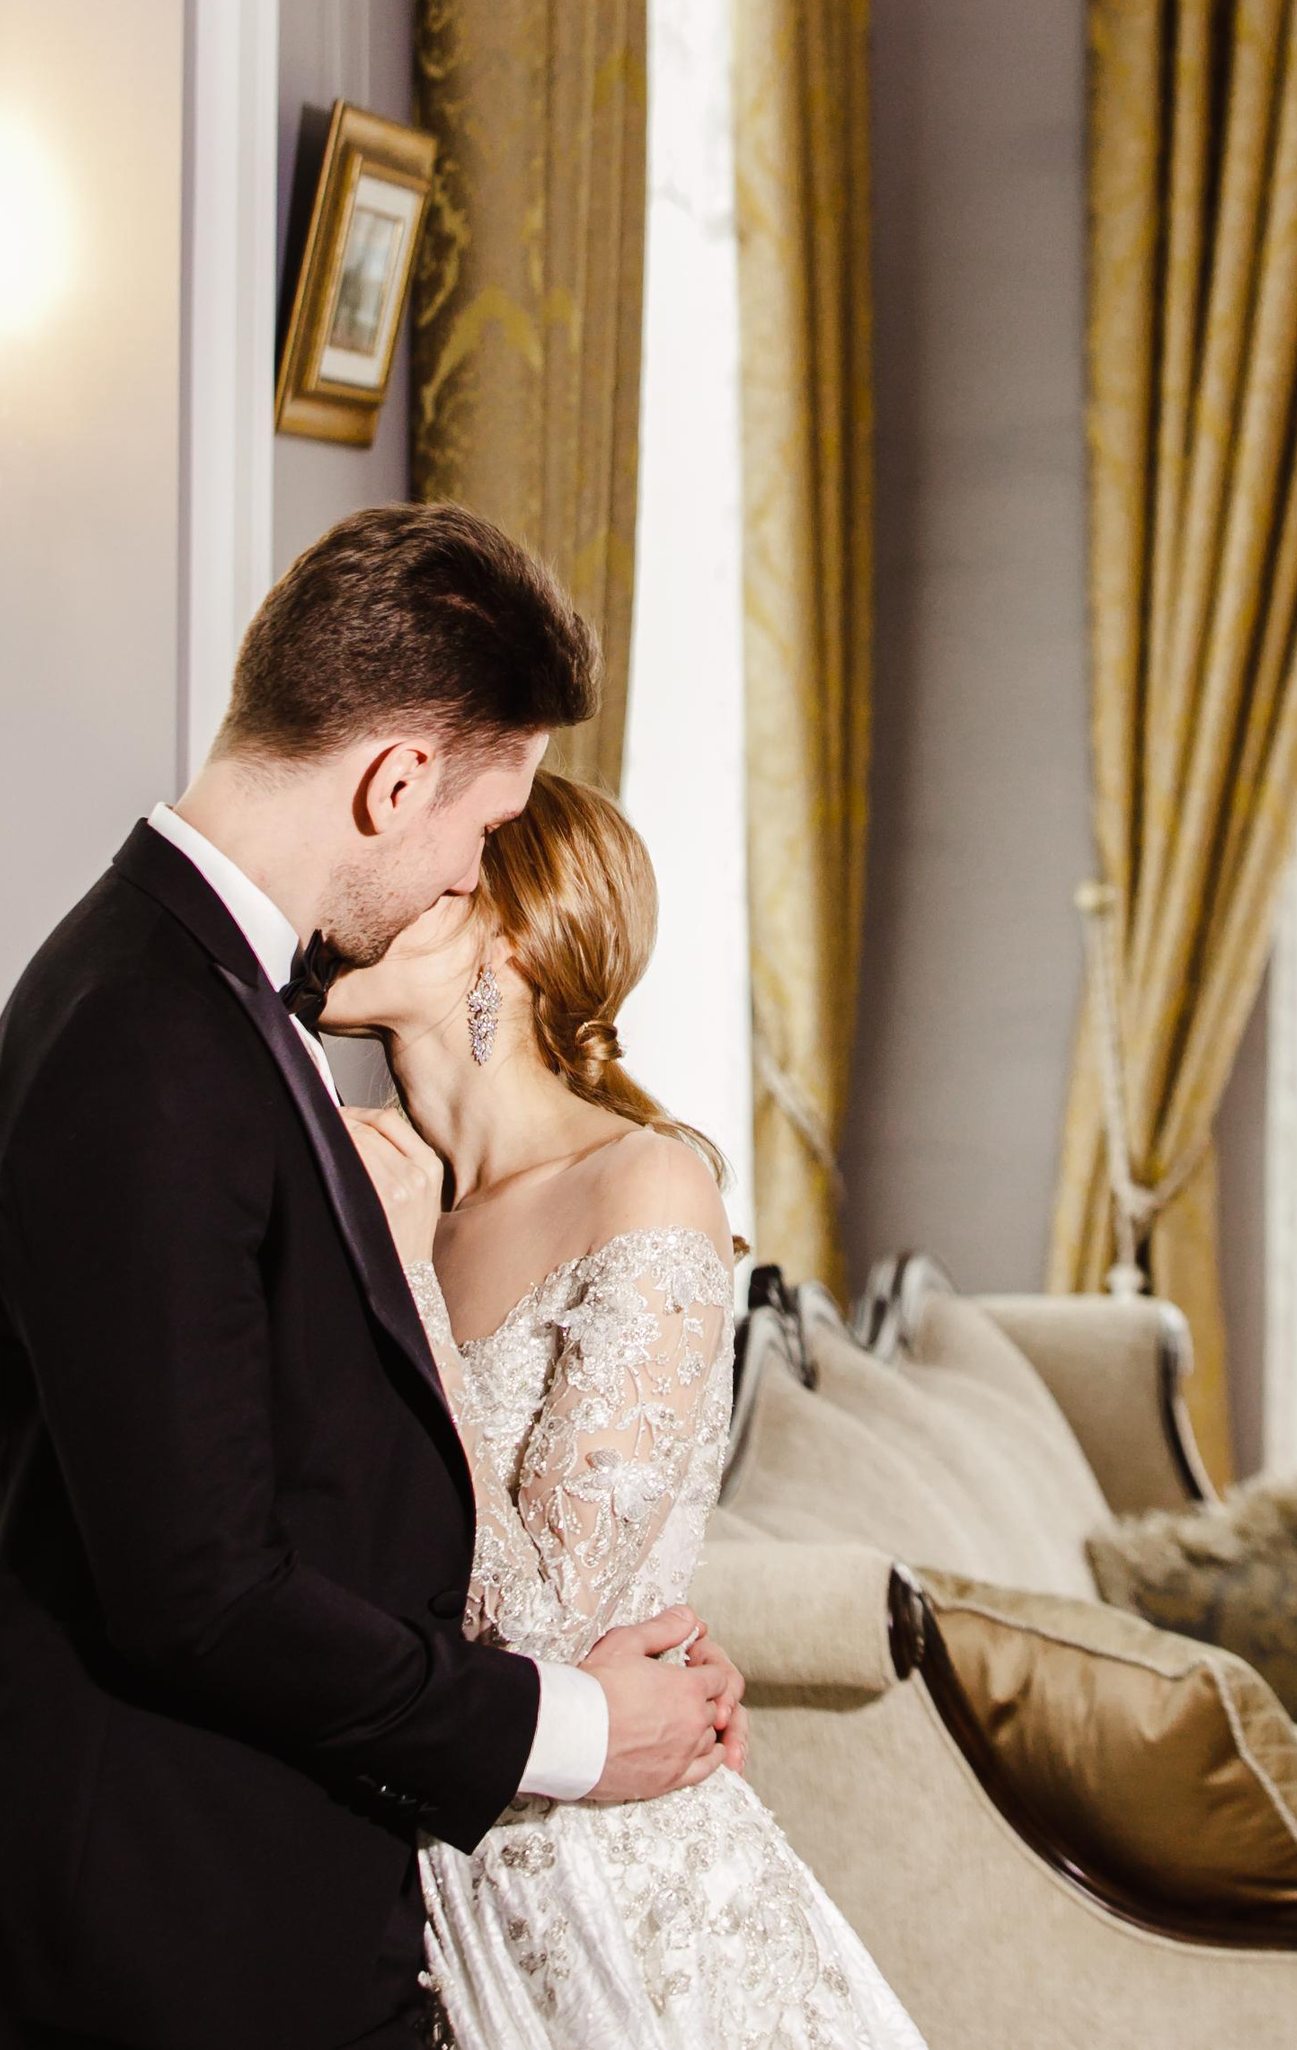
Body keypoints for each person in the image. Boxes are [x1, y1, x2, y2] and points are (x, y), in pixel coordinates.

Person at [0, 505, 747, 2050]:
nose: (474, 870)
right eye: (482, 829)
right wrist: (580, 1725)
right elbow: (200, 1591)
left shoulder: (192, 1003)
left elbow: (302, 1487)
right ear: (396, 781)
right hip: (171, 1919)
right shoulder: (151, 1040)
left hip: (261, 1888)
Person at [321, 770, 928, 2050]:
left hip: (598, 1902)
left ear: (511, 932)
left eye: (423, 864)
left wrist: (410, 1286)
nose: (350, 891)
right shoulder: (362, 1183)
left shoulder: (643, 1185)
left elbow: (542, 1634)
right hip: (393, 1875)